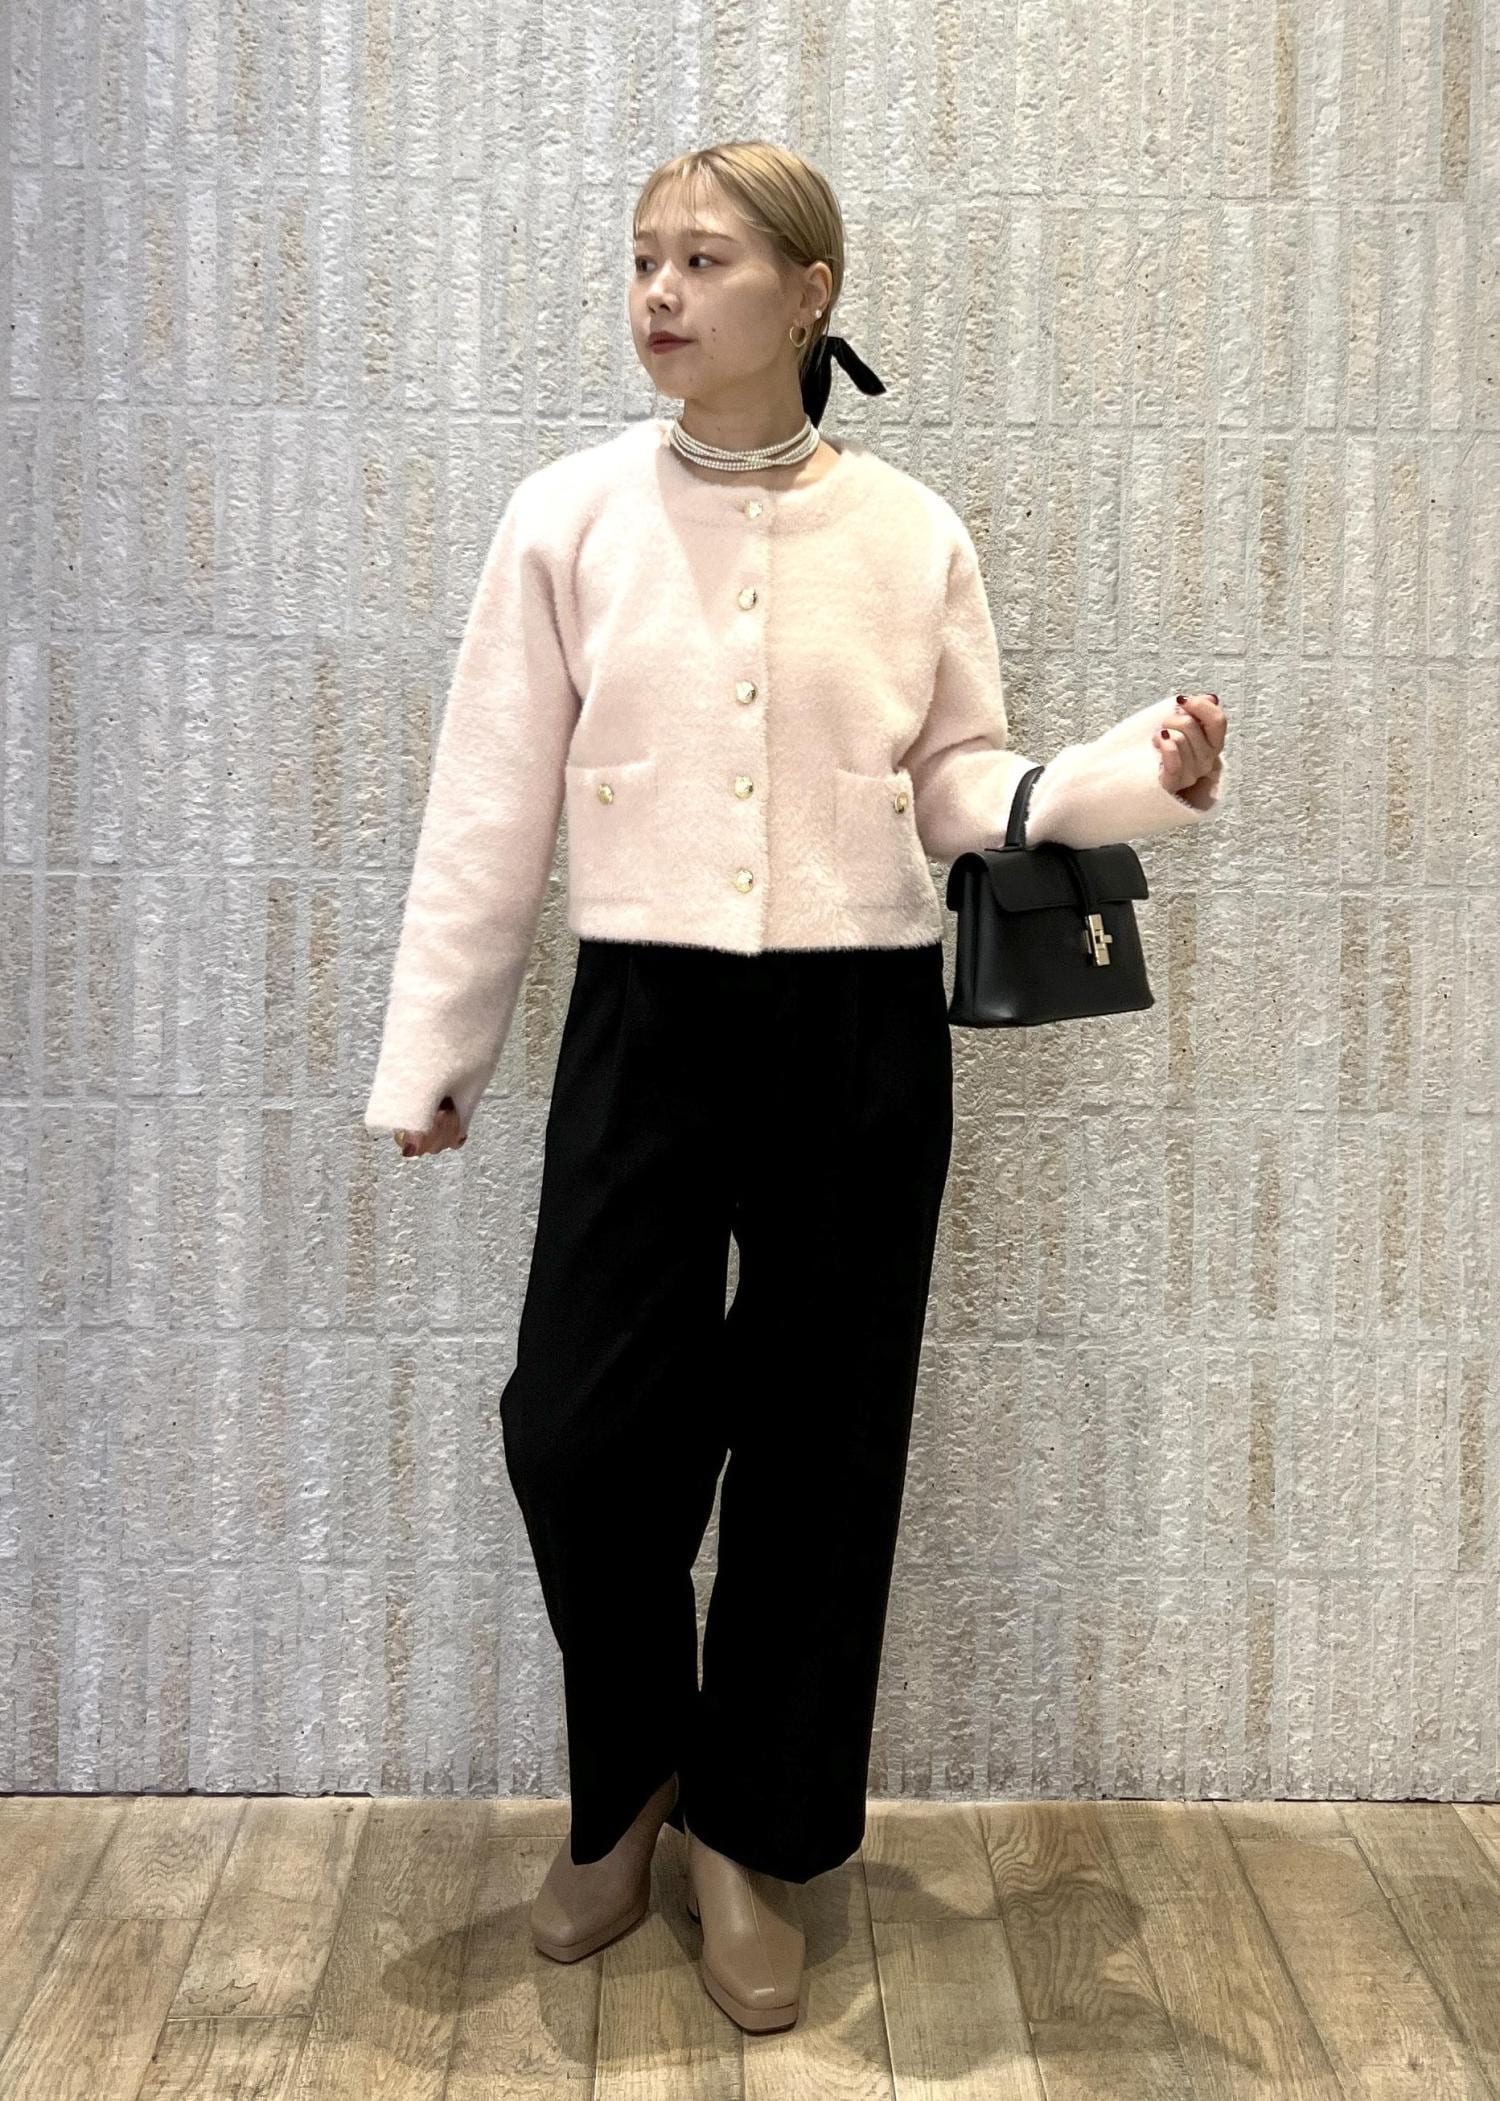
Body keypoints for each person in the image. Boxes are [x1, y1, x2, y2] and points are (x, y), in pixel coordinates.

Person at [362, 140, 1227, 2034]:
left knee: (824, 1446)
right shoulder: (569, 517)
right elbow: (489, 805)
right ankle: (630, 1782)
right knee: (577, 1433)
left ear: (811, 291)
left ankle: (750, 1836)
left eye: (706, 259)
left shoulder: (910, 534)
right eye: (643, 259)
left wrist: (1130, 779)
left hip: (857, 1027)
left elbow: (963, 782)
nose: (661, 292)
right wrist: (437, 1051)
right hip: (645, 1018)